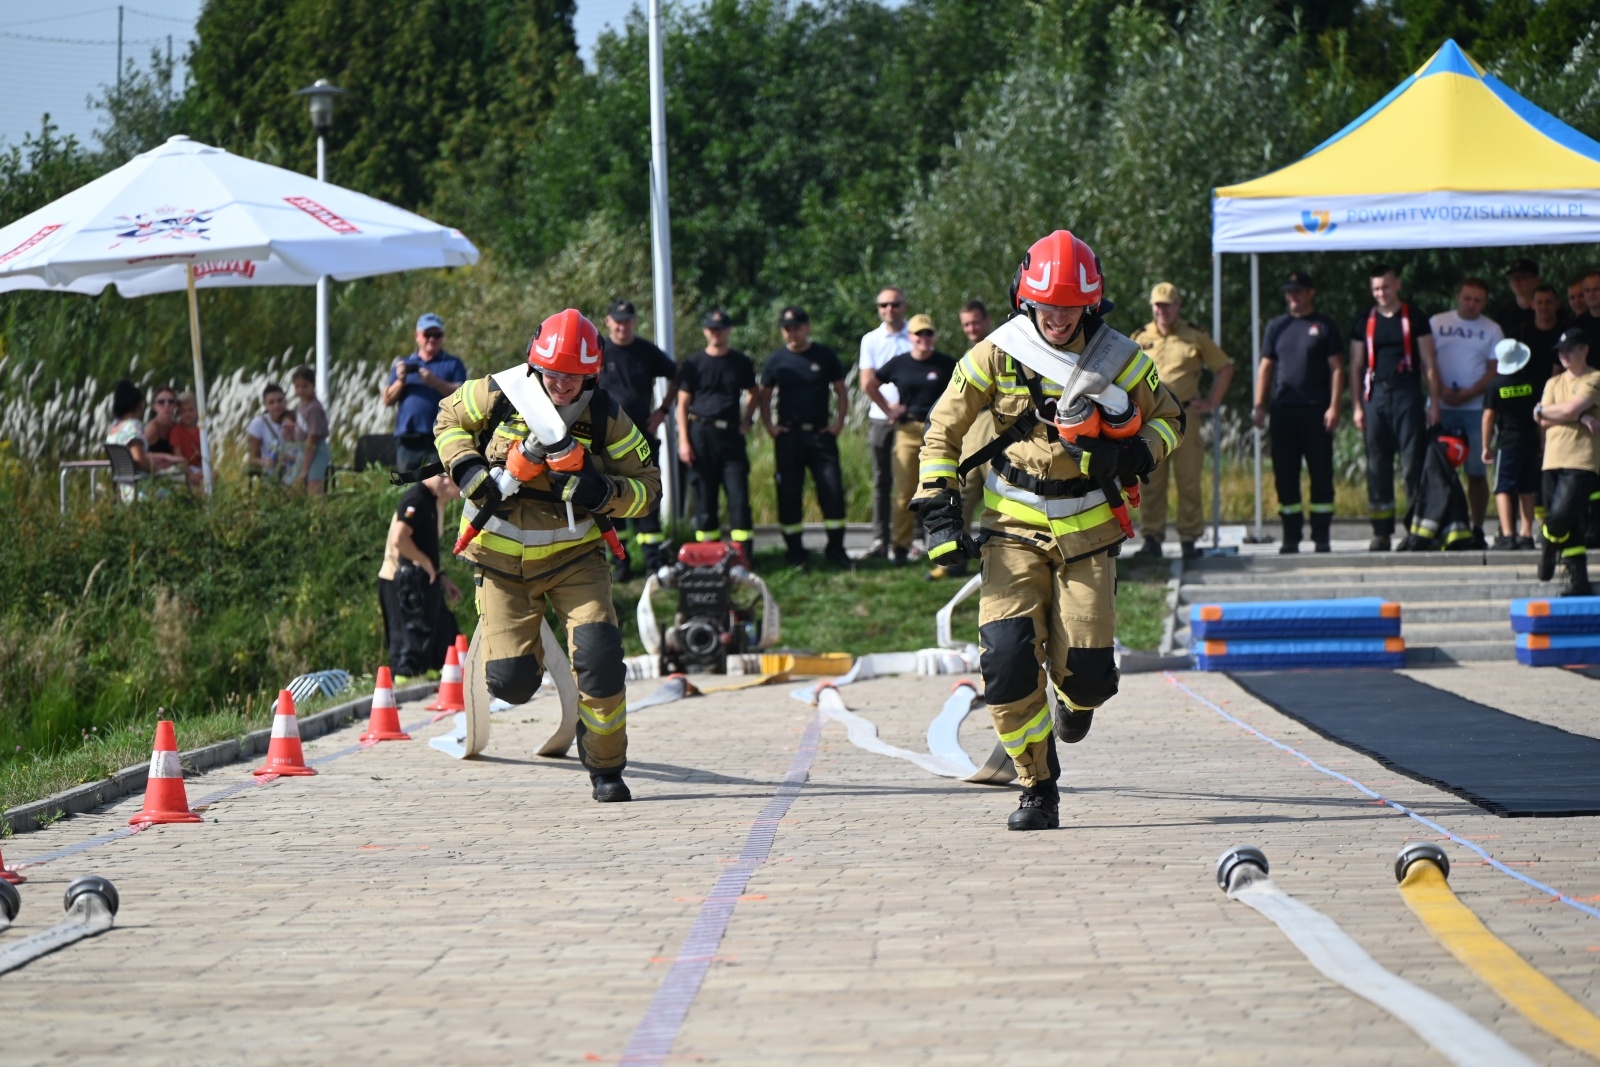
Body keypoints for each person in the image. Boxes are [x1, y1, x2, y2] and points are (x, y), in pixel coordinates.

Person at [913, 230, 1183, 832]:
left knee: (1088, 678)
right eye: (1046, 305)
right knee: (1006, 666)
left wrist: (1136, 454)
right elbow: (943, 429)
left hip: (1089, 534)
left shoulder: (1121, 358)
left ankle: (1075, 705)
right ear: (1024, 300)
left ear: (1090, 304)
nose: (1056, 318)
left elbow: (1171, 420)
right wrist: (939, 508)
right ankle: (1038, 786)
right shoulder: (994, 353)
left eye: (1069, 306)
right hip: (1011, 530)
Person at [435, 308, 661, 803]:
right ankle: (518, 657)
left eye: (574, 379)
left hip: (574, 561)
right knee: (511, 685)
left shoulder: (605, 416)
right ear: (535, 365)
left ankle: (605, 766)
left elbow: (648, 489)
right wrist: (469, 469)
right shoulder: (500, 392)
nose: (561, 387)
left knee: (601, 662)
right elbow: (448, 417)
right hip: (499, 564)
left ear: (593, 376)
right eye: (553, 376)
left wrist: (600, 490)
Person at [1130, 282, 1232, 561]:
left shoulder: (1194, 336)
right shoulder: (1139, 338)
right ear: (1152, 307)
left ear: (1178, 306)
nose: (1162, 310)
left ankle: (1189, 539)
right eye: (1158, 305)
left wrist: (1211, 402)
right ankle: (1152, 539)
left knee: (1188, 481)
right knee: (1151, 481)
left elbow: (1224, 367)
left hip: (1186, 417)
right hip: (1151, 420)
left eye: (1168, 305)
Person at [1349, 265, 1442, 551]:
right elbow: (1355, 365)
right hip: (1375, 395)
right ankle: (1381, 532)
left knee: (1412, 464)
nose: (1381, 293)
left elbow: (1428, 362)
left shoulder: (1414, 317)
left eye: (1386, 287)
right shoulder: (1365, 319)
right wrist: (1356, 407)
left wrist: (1434, 401)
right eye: (1376, 289)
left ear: (1397, 285)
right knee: (1377, 465)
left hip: (1407, 393)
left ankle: (1416, 529)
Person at [1253, 271, 1344, 553]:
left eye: (1299, 291)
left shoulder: (1324, 325)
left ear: (1310, 293)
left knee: (1321, 473)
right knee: (1285, 474)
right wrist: (1259, 405)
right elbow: (1266, 367)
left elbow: (1338, 368)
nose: (1293, 296)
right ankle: (1291, 536)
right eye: (1289, 291)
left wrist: (1335, 406)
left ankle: (1321, 535)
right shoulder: (1276, 326)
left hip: (1317, 411)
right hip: (1283, 411)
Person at [758, 305, 851, 569]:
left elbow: (841, 391)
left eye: (797, 327)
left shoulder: (824, 355)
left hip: (821, 435)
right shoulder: (776, 360)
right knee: (788, 494)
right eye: (787, 329)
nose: (793, 333)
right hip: (789, 437)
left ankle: (836, 549)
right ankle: (795, 552)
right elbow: (764, 396)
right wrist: (770, 426)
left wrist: (838, 423)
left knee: (832, 491)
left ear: (807, 327)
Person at [865, 314, 956, 566]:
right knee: (905, 493)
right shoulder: (899, 364)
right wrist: (889, 410)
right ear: (910, 337)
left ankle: (944, 546)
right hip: (907, 431)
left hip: (938, 432)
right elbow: (870, 385)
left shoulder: (946, 363)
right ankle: (901, 548)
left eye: (929, 333)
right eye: (919, 334)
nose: (924, 339)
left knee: (942, 491)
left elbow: (964, 391)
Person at [598, 298, 677, 581]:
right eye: (618, 321)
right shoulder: (599, 351)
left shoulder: (646, 351)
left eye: (628, 320)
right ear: (608, 321)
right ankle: (621, 563)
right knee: (611, 501)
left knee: (647, 497)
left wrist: (663, 411)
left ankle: (654, 562)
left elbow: (677, 376)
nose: (623, 326)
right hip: (606, 440)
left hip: (641, 438)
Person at [675, 309, 758, 565]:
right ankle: (707, 556)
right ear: (705, 331)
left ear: (729, 330)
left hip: (731, 436)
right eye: (711, 328)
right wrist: (684, 441)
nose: (715, 332)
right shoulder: (693, 364)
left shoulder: (741, 362)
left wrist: (747, 419)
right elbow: (682, 404)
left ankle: (742, 556)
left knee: (739, 499)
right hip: (700, 434)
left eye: (720, 328)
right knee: (705, 499)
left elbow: (754, 392)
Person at [1430, 278, 1503, 545]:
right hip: (1440, 406)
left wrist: (1473, 391)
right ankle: (1440, 526)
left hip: (1476, 409)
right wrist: (1439, 390)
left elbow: (1496, 368)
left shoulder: (1492, 329)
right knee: (1438, 472)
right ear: (1458, 296)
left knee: (1476, 472)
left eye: (1478, 300)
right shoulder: (1437, 323)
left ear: (1485, 303)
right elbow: (1427, 360)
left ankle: (1477, 527)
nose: (1471, 304)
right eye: (1467, 298)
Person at [377, 470, 463, 680]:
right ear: (445, 479)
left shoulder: (434, 503)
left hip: (423, 578)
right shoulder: (417, 499)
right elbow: (400, 540)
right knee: (404, 637)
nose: (457, 496)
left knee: (440, 630)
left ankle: (431, 674)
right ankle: (400, 683)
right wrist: (425, 563)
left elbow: (424, 546)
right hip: (400, 578)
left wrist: (440, 576)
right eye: (457, 487)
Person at [1533, 328, 1600, 595]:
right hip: (1552, 458)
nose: (1564, 355)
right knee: (1567, 522)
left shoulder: (1594, 378)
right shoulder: (1553, 383)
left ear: (1584, 349)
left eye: (1569, 349)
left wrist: (1547, 410)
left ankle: (1547, 546)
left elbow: (1566, 409)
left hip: (1582, 460)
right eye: (1560, 351)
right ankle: (1577, 579)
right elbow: (1542, 419)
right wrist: (1580, 417)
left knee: (1560, 516)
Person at [858, 286, 912, 558]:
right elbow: (867, 382)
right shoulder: (870, 339)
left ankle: (914, 539)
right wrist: (888, 408)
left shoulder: (916, 335)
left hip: (911, 420)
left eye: (894, 304)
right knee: (882, 482)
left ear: (904, 306)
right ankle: (880, 540)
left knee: (915, 481)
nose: (889, 310)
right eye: (883, 305)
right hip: (881, 418)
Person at [945, 298, 997, 559]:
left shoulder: (1002, 348)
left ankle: (1003, 556)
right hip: (973, 427)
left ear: (987, 321)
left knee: (1000, 493)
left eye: (976, 322)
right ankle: (956, 557)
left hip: (998, 427)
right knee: (962, 494)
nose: (972, 328)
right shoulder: (969, 356)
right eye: (966, 324)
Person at [383, 312, 467, 473]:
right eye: (428, 334)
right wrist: (401, 380)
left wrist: (434, 382)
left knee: (438, 481)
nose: (432, 339)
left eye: (437, 335)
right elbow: (387, 399)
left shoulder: (452, 364)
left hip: (441, 434)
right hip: (409, 436)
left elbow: (461, 394)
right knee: (407, 482)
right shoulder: (404, 364)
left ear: (443, 337)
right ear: (417, 336)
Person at [1481, 340, 1541, 549]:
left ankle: (1507, 535)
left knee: (1503, 487)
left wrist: (1485, 445)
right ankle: (1526, 535)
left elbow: (1489, 416)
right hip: (1529, 439)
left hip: (1507, 441)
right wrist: (1542, 442)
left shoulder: (1495, 385)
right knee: (1527, 487)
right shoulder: (1533, 382)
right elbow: (1539, 415)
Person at [106, 379, 174, 501]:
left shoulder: (114, 429)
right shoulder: (133, 426)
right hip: (143, 490)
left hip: (125, 491)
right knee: (180, 497)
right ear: (138, 405)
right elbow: (139, 459)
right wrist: (160, 470)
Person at [287, 365, 331, 495]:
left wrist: (305, 469)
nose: (300, 390)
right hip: (303, 449)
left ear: (313, 385)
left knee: (314, 485)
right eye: (297, 386)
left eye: (305, 386)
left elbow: (312, 438)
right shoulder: (302, 403)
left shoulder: (313, 408)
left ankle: (319, 513)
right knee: (295, 485)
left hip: (316, 450)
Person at [1517, 284, 1566, 383]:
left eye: (1548, 302)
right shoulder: (1522, 333)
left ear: (1557, 304)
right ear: (1532, 305)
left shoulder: (1567, 331)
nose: (1544, 307)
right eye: (1539, 302)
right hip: (1528, 390)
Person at [1494, 258, 1542, 339]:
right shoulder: (1502, 315)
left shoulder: (1547, 311)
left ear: (1536, 280)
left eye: (1523, 276)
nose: (1516, 280)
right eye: (1512, 277)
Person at [170, 391, 203, 488]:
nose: (187, 414)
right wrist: (190, 473)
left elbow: (205, 455)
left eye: (190, 410)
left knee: (214, 475)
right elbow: (178, 456)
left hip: (199, 468)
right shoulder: (177, 431)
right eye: (183, 411)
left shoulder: (200, 431)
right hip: (184, 469)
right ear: (179, 413)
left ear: (197, 412)